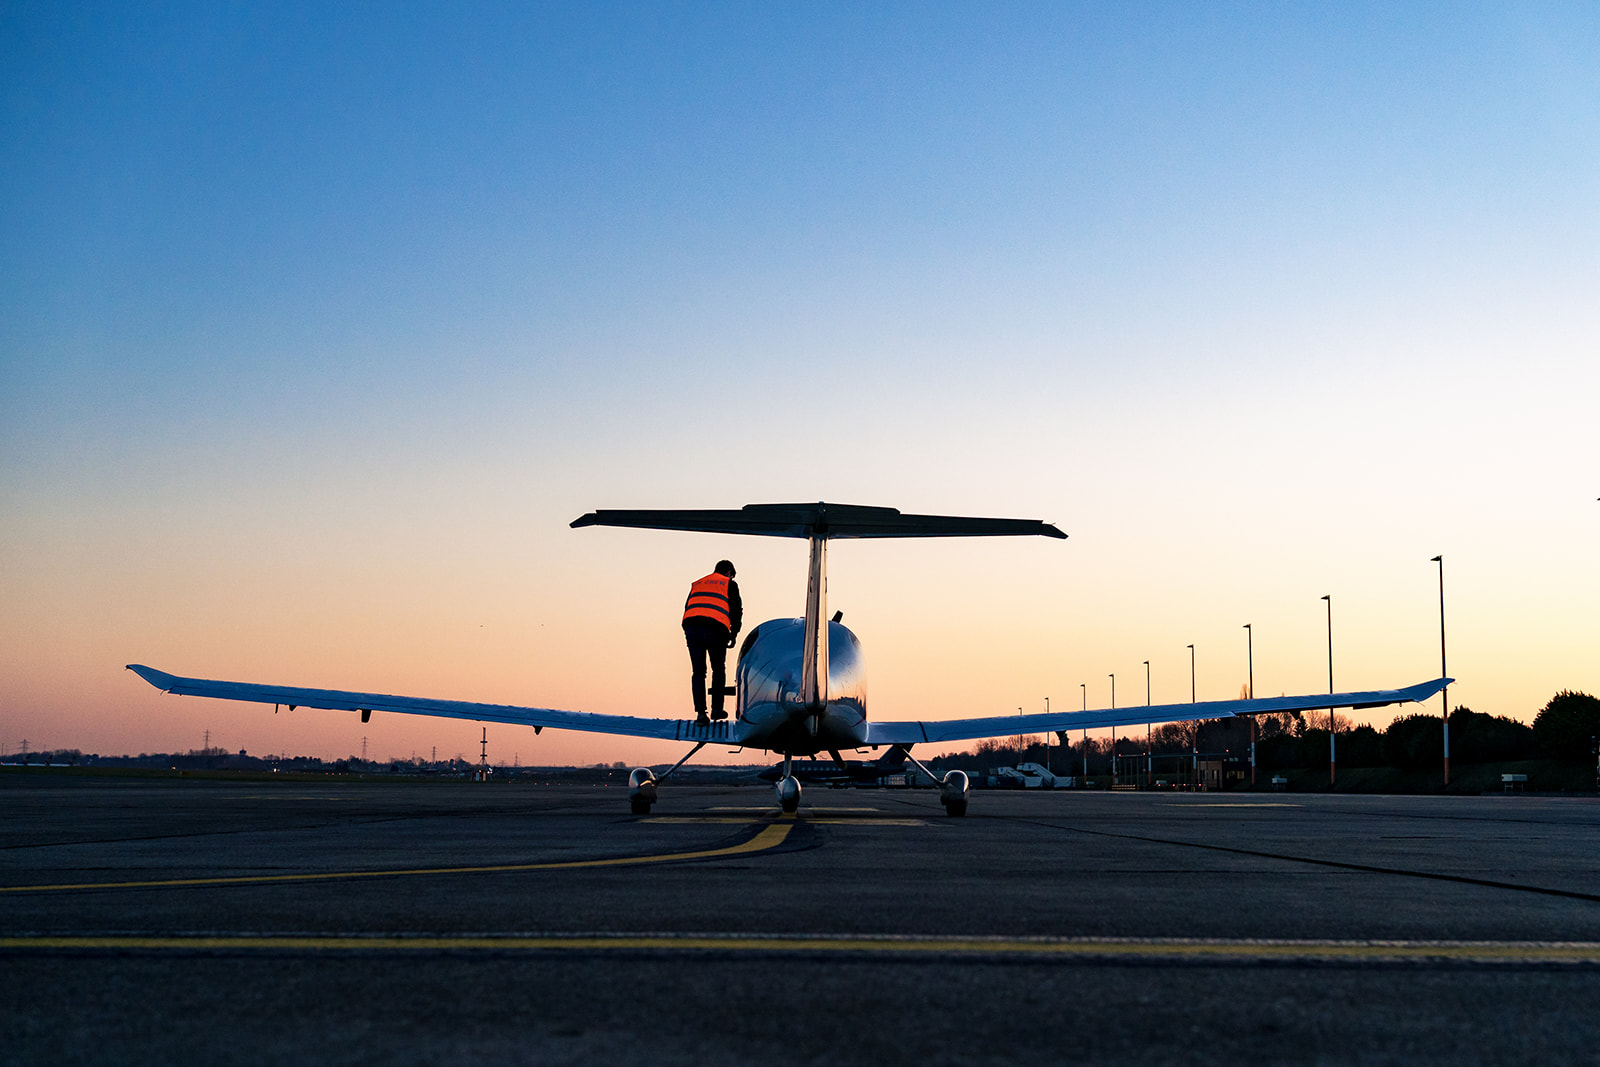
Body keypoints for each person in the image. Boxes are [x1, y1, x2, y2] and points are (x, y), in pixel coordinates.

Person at [682, 559, 741, 725]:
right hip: (715, 629)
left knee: (698, 672)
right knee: (718, 669)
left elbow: (688, 607)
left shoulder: (698, 583)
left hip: (692, 629)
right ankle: (716, 709)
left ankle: (701, 714)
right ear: (729, 572)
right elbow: (737, 610)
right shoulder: (729, 584)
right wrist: (734, 633)